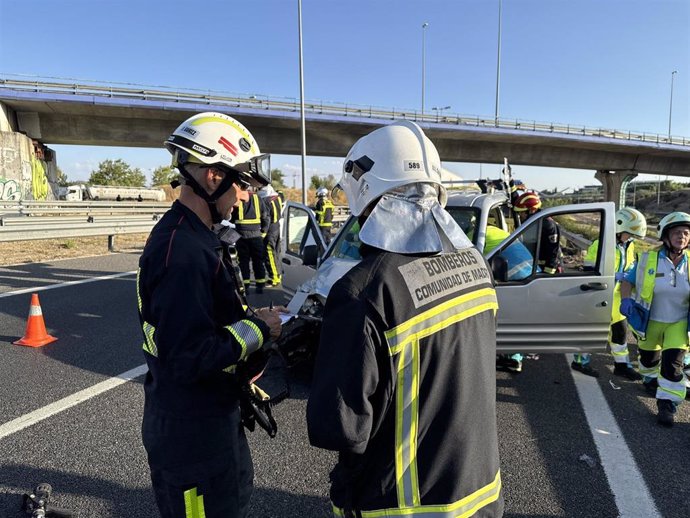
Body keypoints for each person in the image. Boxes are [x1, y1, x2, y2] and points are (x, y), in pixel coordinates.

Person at [307, 120, 504, 517]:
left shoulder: (364, 291)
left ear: (368, 198)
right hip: (481, 496)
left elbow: (341, 427)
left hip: (404, 507)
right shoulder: (476, 267)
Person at [138, 111, 284, 518]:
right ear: (213, 177)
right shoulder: (182, 252)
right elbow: (186, 356)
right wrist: (257, 329)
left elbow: (202, 319)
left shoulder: (199, 236)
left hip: (212, 416)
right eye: (242, 183)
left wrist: (251, 318)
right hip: (191, 435)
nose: (245, 197)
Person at [620, 211, 690, 427]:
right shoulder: (646, 258)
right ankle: (650, 378)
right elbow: (626, 281)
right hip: (650, 320)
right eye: (677, 232)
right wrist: (625, 300)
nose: (682, 237)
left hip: (678, 323)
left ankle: (667, 403)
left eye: (686, 233)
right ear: (665, 235)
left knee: (673, 365)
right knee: (649, 360)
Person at [584, 207, 647, 380]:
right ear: (618, 229)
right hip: (599, 295)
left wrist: (631, 276)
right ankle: (581, 361)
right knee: (592, 332)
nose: (631, 237)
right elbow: (588, 270)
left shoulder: (629, 245)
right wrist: (613, 275)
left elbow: (631, 264)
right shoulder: (600, 245)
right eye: (628, 234)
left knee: (620, 332)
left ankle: (621, 365)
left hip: (618, 297)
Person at [485, 224, 533, 374]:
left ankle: (510, 357)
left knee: (507, 315)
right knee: (517, 319)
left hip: (513, 275)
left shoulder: (474, 235)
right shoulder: (495, 231)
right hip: (531, 272)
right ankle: (515, 357)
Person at [231, 186, 270, 294]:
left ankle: (245, 286)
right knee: (258, 261)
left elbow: (232, 217)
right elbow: (266, 217)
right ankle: (260, 285)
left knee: (243, 261)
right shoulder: (258, 199)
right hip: (256, 236)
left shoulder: (238, 198)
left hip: (241, 235)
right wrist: (263, 232)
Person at [259, 184, 283, 286]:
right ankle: (278, 274)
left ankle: (274, 278)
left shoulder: (266, 201)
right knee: (276, 252)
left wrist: (263, 232)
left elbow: (266, 218)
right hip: (277, 227)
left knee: (270, 254)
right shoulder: (277, 198)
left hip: (270, 230)